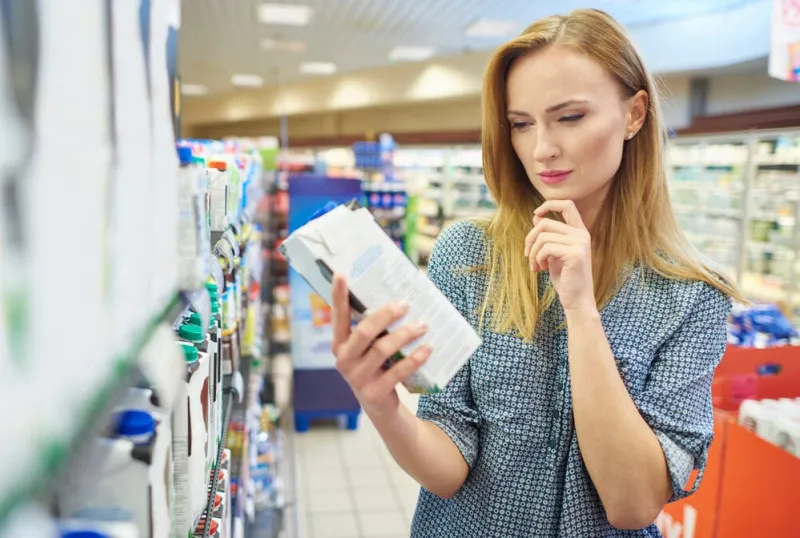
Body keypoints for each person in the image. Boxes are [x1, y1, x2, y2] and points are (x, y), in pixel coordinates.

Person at [330, 8, 743, 537]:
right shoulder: (468, 254)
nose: (541, 148)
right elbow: (452, 460)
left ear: (635, 114)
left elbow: (633, 504)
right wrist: (382, 405)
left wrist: (581, 310)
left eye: (569, 117)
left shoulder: (691, 295)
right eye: (521, 124)